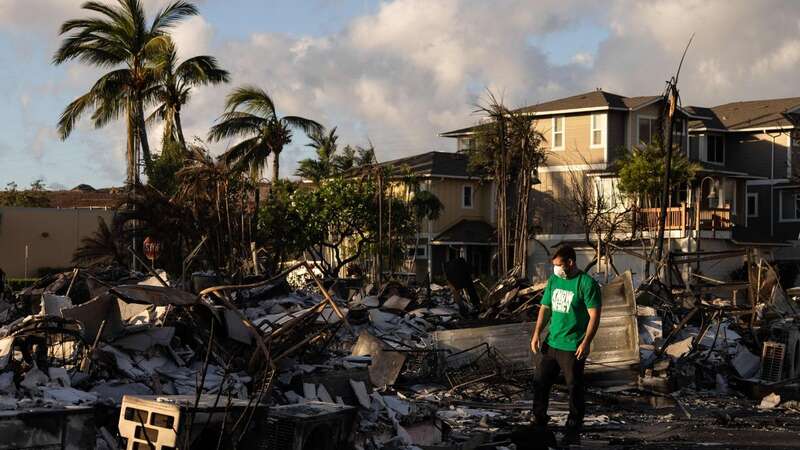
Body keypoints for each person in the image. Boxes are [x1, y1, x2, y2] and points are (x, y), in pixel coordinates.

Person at [530, 245, 602, 446]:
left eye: (559, 265)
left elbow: (594, 317)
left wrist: (586, 342)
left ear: (570, 262)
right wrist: (537, 333)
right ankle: (539, 421)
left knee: (574, 388)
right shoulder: (554, 280)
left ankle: (573, 429)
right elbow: (545, 308)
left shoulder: (586, 284)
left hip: (573, 346)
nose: (556, 269)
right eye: (554, 265)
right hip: (552, 343)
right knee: (540, 382)